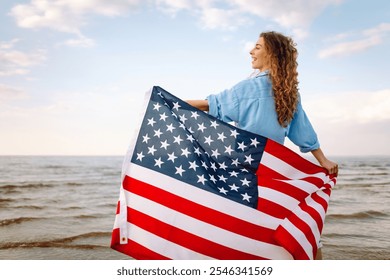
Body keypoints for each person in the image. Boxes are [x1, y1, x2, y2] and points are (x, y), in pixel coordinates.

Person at [186, 31, 338, 259]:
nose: (251, 51)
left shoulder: (246, 89)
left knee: (234, 226)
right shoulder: (288, 93)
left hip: (243, 170)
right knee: (290, 224)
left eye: (257, 47)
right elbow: (303, 131)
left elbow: (208, 105)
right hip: (273, 171)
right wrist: (323, 160)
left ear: (272, 53)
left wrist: (170, 103)